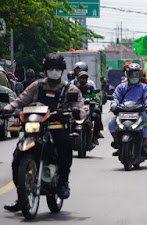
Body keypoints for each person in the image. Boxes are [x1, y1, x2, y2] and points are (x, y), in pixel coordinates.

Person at [3, 53, 85, 211]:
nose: (53, 71)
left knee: (65, 146)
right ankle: (22, 197)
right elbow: (21, 99)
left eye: (57, 68)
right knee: (17, 158)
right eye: (50, 68)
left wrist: (77, 112)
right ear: (45, 69)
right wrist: (9, 108)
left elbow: (80, 106)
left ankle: (63, 182)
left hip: (57, 127)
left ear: (61, 70)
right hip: (35, 126)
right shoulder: (37, 85)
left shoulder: (70, 88)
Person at [108, 63, 147, 157]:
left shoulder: (144, 87)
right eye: (131, 74)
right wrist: (114, 105)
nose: (134, 76)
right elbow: (116, 97)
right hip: (123, 112)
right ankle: (118, 144)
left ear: (140, 75)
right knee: (111, 123)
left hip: (139, 113)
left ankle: (144, 146)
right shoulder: (121, 87)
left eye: (136, 74)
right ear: (127, 74)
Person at [75, 71, 104, 145]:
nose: (83, 80)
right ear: (78, 79)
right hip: (78, 109)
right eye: (82, 78)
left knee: (96, 114)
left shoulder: (90, 88)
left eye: (85, 78)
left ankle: (96, 135)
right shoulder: (75, 88)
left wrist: (96, 98)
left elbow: (96, 96)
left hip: (88, 108)